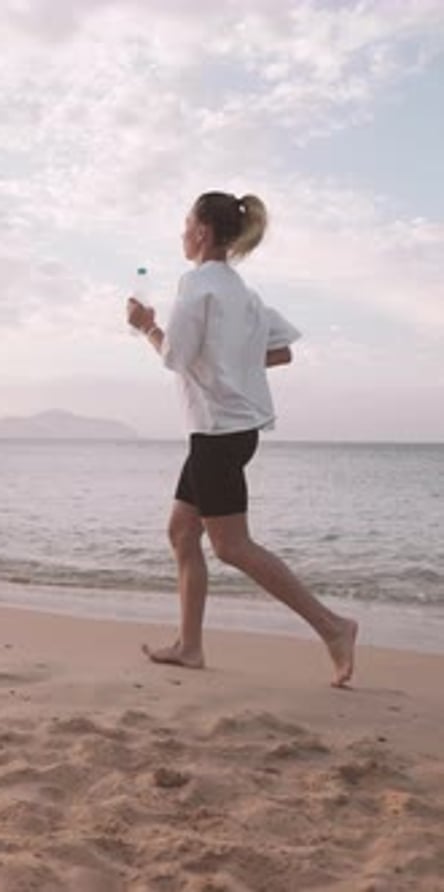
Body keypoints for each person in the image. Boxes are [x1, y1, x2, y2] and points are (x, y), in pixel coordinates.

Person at [127, 191, 358, 687]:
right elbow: (280, 353)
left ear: (203, 232)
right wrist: (232, 362)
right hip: (230, 430)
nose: (182, 232)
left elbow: (175, 358)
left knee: (232, 547)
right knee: (182, 532)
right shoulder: (243, 292)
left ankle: (334, 627)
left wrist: (147, 327)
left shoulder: (196, 285)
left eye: (186, 223)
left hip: (217, 433)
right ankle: (189, 647)